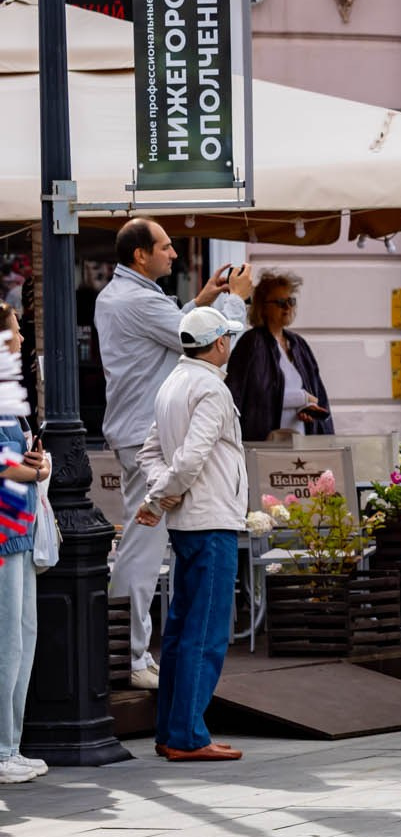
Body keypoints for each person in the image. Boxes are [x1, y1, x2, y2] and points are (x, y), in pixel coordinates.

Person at [97, 219, 246, 692]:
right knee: (143, 551)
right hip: (149, 438)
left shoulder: (119, 295)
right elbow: (210, 342)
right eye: (164, 247)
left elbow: (180, 327)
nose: (174, 254)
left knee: (148, 547)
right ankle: (130, 655)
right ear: (140, 256)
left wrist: (202, 300)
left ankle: (132, 651)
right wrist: (233, 299)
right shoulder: (138, 300)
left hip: (142, 432)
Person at [131, 305, 248, 761]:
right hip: (211, 518)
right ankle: (187, 736)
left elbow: (149, 453)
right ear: (218, 343)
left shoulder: (172, 383)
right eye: (229, 339)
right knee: (205, 630)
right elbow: (192, 458)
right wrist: (162, 497)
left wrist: (162, 493)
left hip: (189, 522)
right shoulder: (210, 389)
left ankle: (172, 731)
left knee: (180, 630)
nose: (230, 346)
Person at [0, 316, 51, 784]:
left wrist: (34, 462)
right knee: (8, 642)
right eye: (14, 329)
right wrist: (33, 472)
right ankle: (2, 750)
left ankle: (10, 746)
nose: (20, 337)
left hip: (18, 527)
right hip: (4, 530)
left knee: (23, 637)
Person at [225, 270, 334, 444]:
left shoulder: (298, 344)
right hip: (263, 445)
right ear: (263, 307)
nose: (287, 307)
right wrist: (303, 398)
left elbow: (318, 395)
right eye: (281, 302)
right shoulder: (252, 343)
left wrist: (308, 408)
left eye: (291, 301)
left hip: (300, 443)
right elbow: (251, 398)